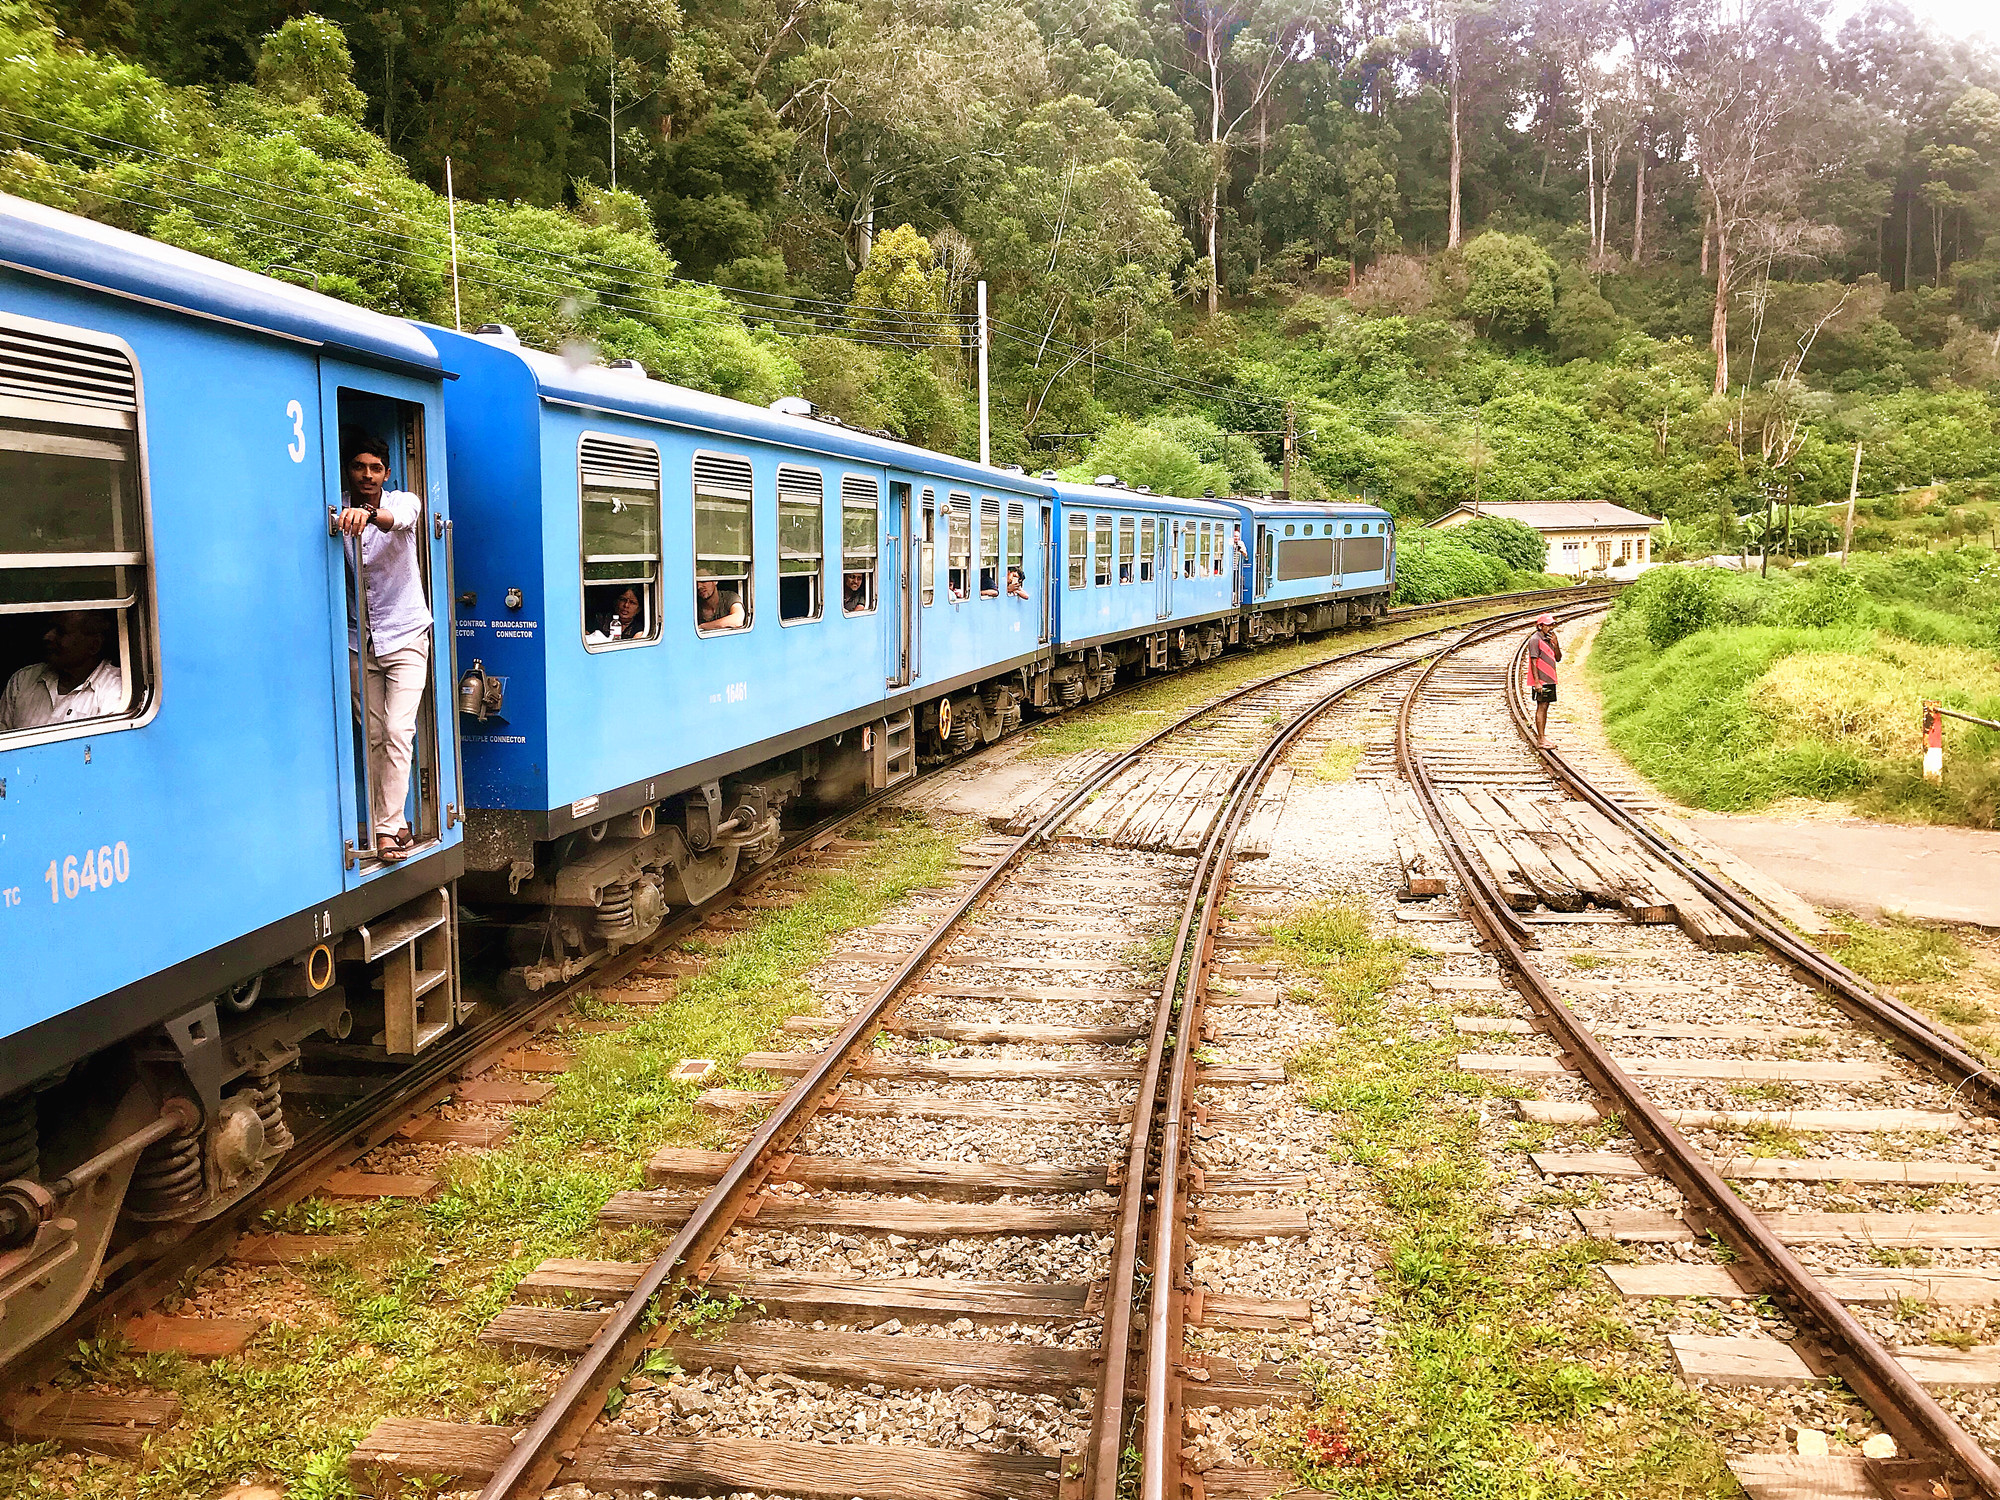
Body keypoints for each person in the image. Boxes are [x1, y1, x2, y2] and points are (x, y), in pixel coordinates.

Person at [338, 432, 430, 863]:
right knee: (374, 736)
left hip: (407, 636)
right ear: (349, 471)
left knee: (397, 731)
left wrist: (369, 517)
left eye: (376, 468)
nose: (367, 475)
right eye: (360, 467)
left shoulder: (404, 501)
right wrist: (346, 517)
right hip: (362, 640)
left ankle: (387, 825)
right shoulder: (336, 506)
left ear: (387, 473)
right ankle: (392, 825)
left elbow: (401, 519)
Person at [0, 610, 124, 732]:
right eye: (50, 628)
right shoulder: (23, 680)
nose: (47, 636)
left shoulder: (116, 690)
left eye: (61, 632)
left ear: (94, 645)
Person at [1525, 613, 1563, 747]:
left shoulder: (1550, 639)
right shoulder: (1535, 640)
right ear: (1540, 626)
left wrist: (1556, 644)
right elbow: (1533, 662)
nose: (1551, 627)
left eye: (1552, 624)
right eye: (1548, 625)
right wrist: (1537, 682)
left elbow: (1558, 658)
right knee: (1541, 706)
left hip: (1550, 678)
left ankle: (1543, 737)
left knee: (1546, 706)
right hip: (1541, 679)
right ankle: (1541, 739)